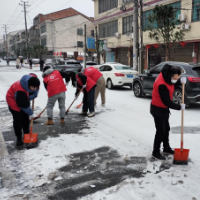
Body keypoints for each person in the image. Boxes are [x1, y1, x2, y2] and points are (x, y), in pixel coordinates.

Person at [150, 64, 186, 160]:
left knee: (167, 129)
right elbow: (167, 102)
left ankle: (166, 148)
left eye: (178, 77)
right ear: (171, 75)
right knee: (161, 131)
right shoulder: (162, 84)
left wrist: (180, 82)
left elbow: (172, 82)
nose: (177, 79)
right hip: (158, 109)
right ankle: (155, 152)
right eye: (176, 77)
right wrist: (179, 107)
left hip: (164, 109)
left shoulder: (167, 76)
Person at [6, 75, 40, 150]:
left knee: (25, 118)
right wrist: (30, 112)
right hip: (13, 101)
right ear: (29, 85)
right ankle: (19, 137)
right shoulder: (20, 90)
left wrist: (34, 94)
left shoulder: (30, 81)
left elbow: (35, 88)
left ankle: (27, 135)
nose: (34, 89)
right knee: (18, 120)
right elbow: (22, 104)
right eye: (33, 88)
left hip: (21, 99)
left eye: (36, 88)